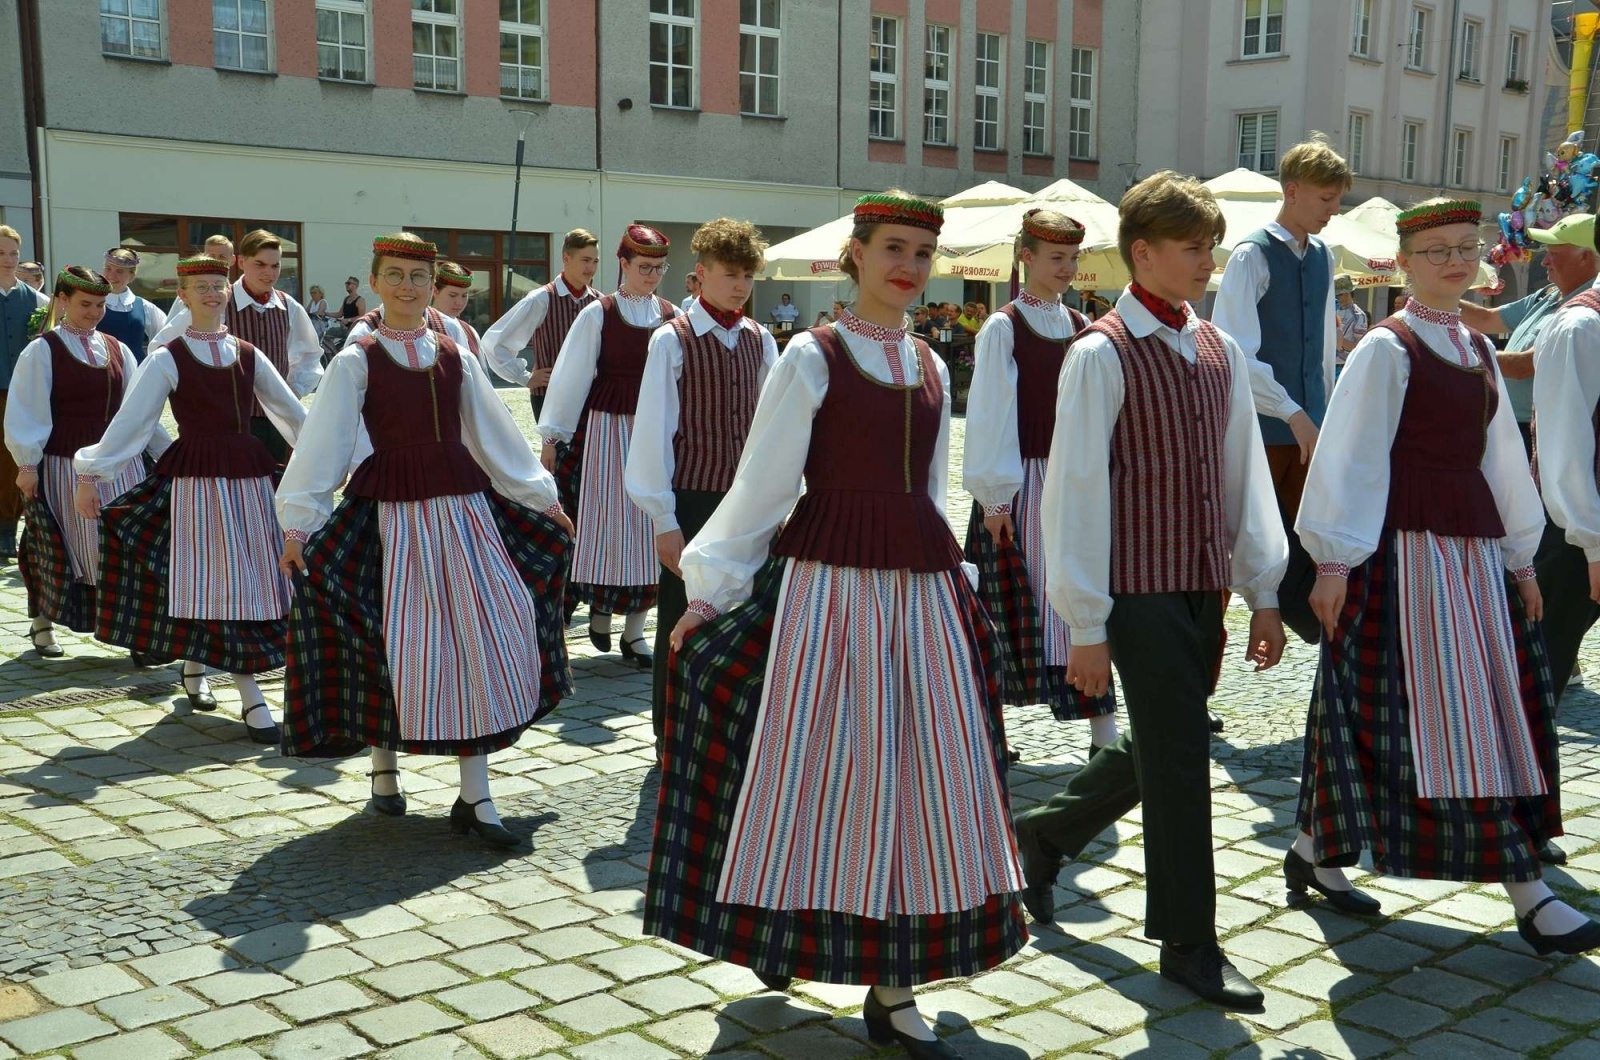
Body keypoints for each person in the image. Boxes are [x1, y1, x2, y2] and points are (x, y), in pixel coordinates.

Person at [648, 192, 1024, 1058]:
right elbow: (763, 485)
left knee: (921, 779)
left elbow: (930, 489)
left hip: (920, 591)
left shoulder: (932, 363)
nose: (911, 265)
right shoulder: (811, 358)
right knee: (814, 769)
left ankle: (896, 991)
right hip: (828, 587)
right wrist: (709, 591)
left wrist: (955, 583)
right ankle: (783, 932)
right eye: (895, 247)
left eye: (925, 252)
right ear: (855, 254)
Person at [1014, 171, 1289, 1010]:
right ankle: (1189, 942)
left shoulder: (1218, 349)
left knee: (1169, 738)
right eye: (1193, 247)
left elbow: (1243, 474)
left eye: (1211, 246)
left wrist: (1262, 585)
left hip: (1203, 583)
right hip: (1133, 591)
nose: (1208, 261)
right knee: (1180, 758)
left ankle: (1042, 835)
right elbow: (1075, 493)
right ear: (1144, 253)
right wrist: (1086, 624)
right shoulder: (1100, 352)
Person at [1297, 198, 1598, 958]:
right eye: (1437, 251)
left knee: (1482, 710)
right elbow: (1350, 455)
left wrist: (1523, 558)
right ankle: (1525, 895)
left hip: (1470, 554)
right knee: (1382, 713)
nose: (1456, 262)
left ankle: (1316, 850)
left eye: (1466, 248)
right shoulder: (1386, 348)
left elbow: (1500, 458)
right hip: (1397, 556)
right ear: (1404, 262)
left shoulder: (1476, 346)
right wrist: (1332, 559)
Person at [277, 234, 574, 848]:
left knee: (478, 639)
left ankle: (477, 795)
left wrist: (542, 497)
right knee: (390, 641)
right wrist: (299, 521)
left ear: (430, 282)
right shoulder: (355, 359)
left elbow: (493, 433)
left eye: (417, 276)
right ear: (376, 280)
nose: (407, 286)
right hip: (386, 515)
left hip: (464, 512)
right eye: (395, 275)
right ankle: (385, 774)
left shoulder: (454, 353)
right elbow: (323, 445)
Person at [75, 255, 305, 745]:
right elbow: (132, 423)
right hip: (198, 486)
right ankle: (252, 699)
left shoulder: (246, 353)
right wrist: (92, 473)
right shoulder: (167, 356)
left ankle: (195, 668)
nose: (211, 293)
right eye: (200, 286)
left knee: (249, 579)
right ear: (182, 294)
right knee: (220, 579)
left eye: (218, 285)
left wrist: (328, 460)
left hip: (249, 479)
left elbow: (291, 412)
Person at [963, 209, 1119, 756]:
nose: (1068, 268)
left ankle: (1104, 733)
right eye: (1057, 258)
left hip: (1072, 479)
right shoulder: (1004, 326)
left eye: (1074, 258)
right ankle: (992, 735)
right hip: (1020, 481)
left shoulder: (1083, 328)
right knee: (1012, 606)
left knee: (1080, 595)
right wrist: (995, 498)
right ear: (1026, 257)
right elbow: (990, 413)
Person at [625, 217, 777, 746]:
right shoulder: (673, 339)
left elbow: (773, 432)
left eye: (748, 275)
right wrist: (663, 520)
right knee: (682, 619)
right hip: (690, 500)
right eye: (730, 273)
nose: (740, 285)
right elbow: (652, 434)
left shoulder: (762, 340)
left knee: (747, 615)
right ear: (700, 275)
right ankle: (674, 738)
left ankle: (738, 733)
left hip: (747, 504)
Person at [1211, 136, 1349, 646]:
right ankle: (1203, 678)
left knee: (1320, 549)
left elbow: (1323, 352)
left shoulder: (1323, 258)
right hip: (1261, 433)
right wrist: (1291, 411)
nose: (1334, 210)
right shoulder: (1250, 256)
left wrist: (1324, 415)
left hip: (1309, 431)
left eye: (1337, 200)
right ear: (1292, 191)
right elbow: (1235, 353)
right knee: (1236, 546)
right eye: (1325, 198)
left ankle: (1332, 663)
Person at [5, 267, 165, 657]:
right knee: (64, 547)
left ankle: (134, 634)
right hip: (67, 466)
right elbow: (28, 410)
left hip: (119, 464)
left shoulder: (117, 349)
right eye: (85, 304)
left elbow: (139, 411)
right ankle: (43, 620)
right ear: (62, 301)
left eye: (99, 305)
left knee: (124, 547)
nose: (94, 312)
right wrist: (27, 466)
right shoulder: (43, 349)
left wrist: (166, 452)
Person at [539, 225, 676, 661]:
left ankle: (634, 632)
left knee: (651, 525)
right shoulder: (599, 313)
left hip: (657, 433)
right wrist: (552, 437)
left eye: (658, 268)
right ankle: (600, 610)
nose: (652, 276)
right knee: (607, 528)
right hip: (606, 433)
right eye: (644, 267)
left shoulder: (672, 316)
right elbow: (571, 376)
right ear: (624, 263)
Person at [1523, 212, 1600, 869]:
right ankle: (1520, 815)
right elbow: (1567, 450)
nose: (1545, 259)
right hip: (1573, 532)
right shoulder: (1576, 325)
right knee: (1539, 674)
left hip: (1586, 528)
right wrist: (1593, 544)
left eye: (1557, 250)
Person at [150, 230, 322, 471]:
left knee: (273, 489)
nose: (269, 273)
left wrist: (292, 390)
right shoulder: (216, 299)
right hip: (224, 423)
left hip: (275, 423)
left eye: (275, 266)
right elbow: (161, 347)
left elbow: (309, 355)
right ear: (240, 262)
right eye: (260, 264)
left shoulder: (288, 305)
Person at [1461, 213, 1600, 458]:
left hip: (1534, 433)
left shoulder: (1587, 311)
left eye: (1554, 253)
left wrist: (1460, 352)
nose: (1545, 262)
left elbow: (1525, 366)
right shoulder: (1549, 294)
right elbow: (1487, 318)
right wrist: (1435, 299)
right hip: (1510, 424)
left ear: (1585, 257)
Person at [481, 229, 603, 413]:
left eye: (595, 261)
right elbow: (495, 342)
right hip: (550, 395)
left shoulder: (598, 301)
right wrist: (525, 377)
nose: (591, 268)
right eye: (585, 260)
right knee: (554, 443)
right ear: (566, 258)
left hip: (591, 394)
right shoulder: (542, 298)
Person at [0, 224, 50, 563]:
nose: (8, 259)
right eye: (1, 253)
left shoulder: (38, 301)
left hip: (19, 393)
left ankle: (7, 529)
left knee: (14, 461)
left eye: (13, 253)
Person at [96, 248, 168, 362]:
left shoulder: (144, 307)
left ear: (132, 276)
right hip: (102, 370)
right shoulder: (94, 303)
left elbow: (165, 337)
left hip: (136, 372)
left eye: (119, 271)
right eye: (108, 268)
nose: (111, 275)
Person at [1334, 275, 1367, 368]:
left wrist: (1337, 340)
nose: (1336, 298)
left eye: (1338, 294)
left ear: (1348, 292)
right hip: (1330, 362)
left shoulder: (1358, 315)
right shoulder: (1334, 309)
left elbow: (1359, 347)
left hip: (1345, 364)